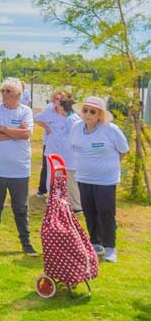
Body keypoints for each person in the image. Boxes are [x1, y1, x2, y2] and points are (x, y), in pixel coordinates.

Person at [0, 77, 38, 256]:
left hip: (19, 169)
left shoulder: (26, 111)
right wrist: (14, 132)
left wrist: (4, 130)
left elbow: (27, 134)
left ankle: (26, 243)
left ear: (18, 94)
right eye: (2, 91)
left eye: (8, 91)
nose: (4, 95)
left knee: (21, 208)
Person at [70, 96, 129, 263]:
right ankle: (95, 243)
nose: (88, 114)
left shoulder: (111, 129)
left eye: (92, 111)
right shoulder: (75, 127)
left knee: (105, 211)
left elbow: (123, 150)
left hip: (106, 180)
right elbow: (75, 148)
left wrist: (109, 166)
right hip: (83, 177)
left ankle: (110, 246)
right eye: (85, 110)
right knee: (89, 212)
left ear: (100, 115)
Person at [46, 97, 82, 212]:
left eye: (59, 105)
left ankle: (76, 206)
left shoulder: (71, 119)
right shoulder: (69, 118)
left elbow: (76, 137)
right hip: (66, 156)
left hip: (71, 157)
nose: (57, 107)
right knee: (67, 180)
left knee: (71, 181)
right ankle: (67, 202)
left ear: (63, 107)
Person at [35, 89, 71, 196]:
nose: (59, 101)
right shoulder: (49, 111)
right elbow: (36, 118)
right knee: (49, 169)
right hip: (51, 144)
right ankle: (47, 192)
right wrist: (46, 127)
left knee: (64, 170)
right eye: (57, 99)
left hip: (65, 147)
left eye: (62, 99)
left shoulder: (70, 114)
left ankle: (63, 193)